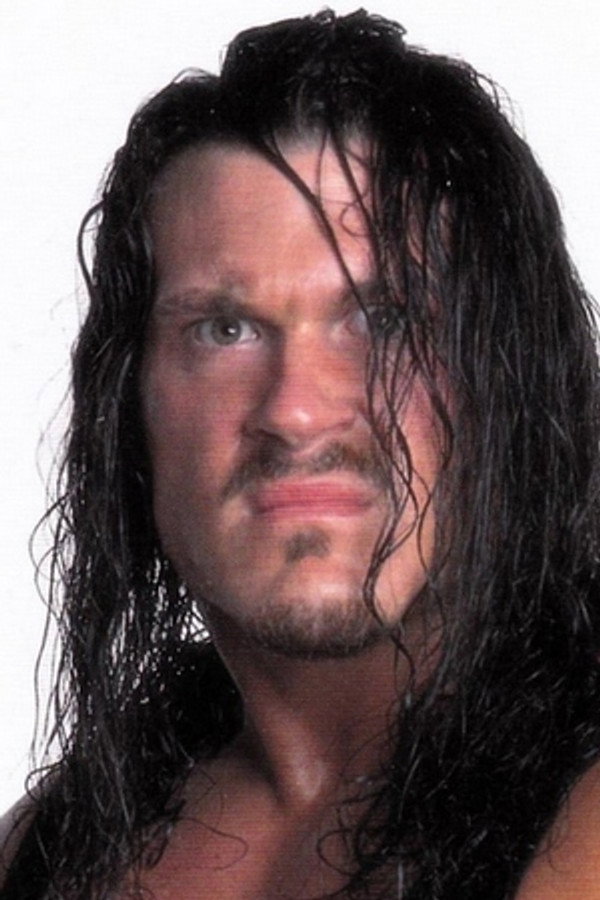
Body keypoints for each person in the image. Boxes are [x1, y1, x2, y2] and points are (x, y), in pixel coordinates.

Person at [2, 8, 600, 898]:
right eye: (225, 329)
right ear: (129, 408)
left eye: (385, 320)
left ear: (513, 380)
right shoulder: (52, 844)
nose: (297, 410)